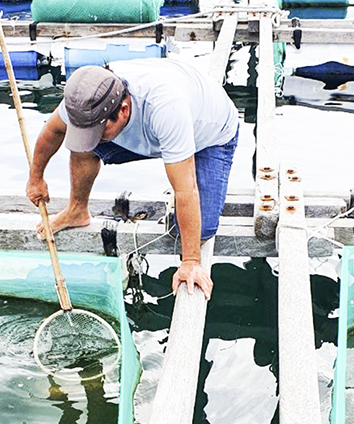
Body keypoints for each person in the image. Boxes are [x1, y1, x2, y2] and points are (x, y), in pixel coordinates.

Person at [26, 58, 239, 301]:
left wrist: (191, 261)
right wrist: (36, 179)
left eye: (98, 130)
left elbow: (185, 189)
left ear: (124, 109)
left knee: (201, 231)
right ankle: (76, 210)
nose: (91, 136)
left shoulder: (167, 108)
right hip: (155, 131)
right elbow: (53, 130)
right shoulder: (87, 97)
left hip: (210, 135)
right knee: (83, 146)